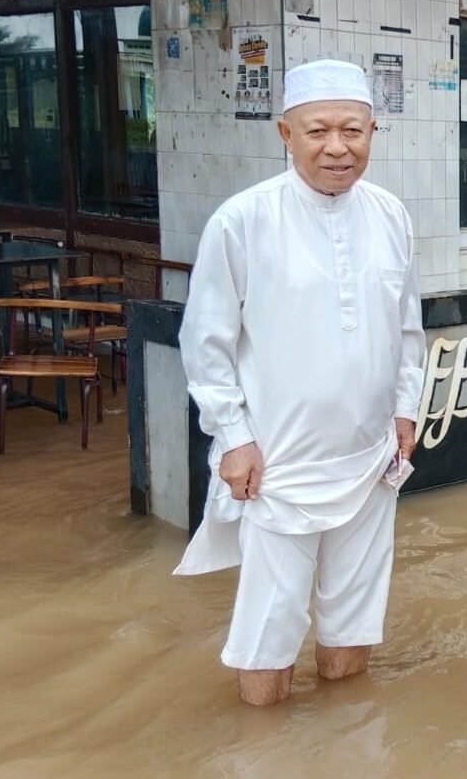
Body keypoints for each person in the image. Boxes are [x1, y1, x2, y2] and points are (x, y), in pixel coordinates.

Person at [174, 59, 425, 706]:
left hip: (372, 459)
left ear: (374, 131)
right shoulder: (242, 220)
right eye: (318, 131)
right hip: (278, 466)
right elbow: (206, 342)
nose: (337, 147)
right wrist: (232, 437)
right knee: (268, 631)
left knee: (353, 624)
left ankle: (345, 747)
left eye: (353, 130)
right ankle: (264, 749)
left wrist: (405, 408)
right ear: (285, 133)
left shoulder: (392, 215)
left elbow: (406, 328)